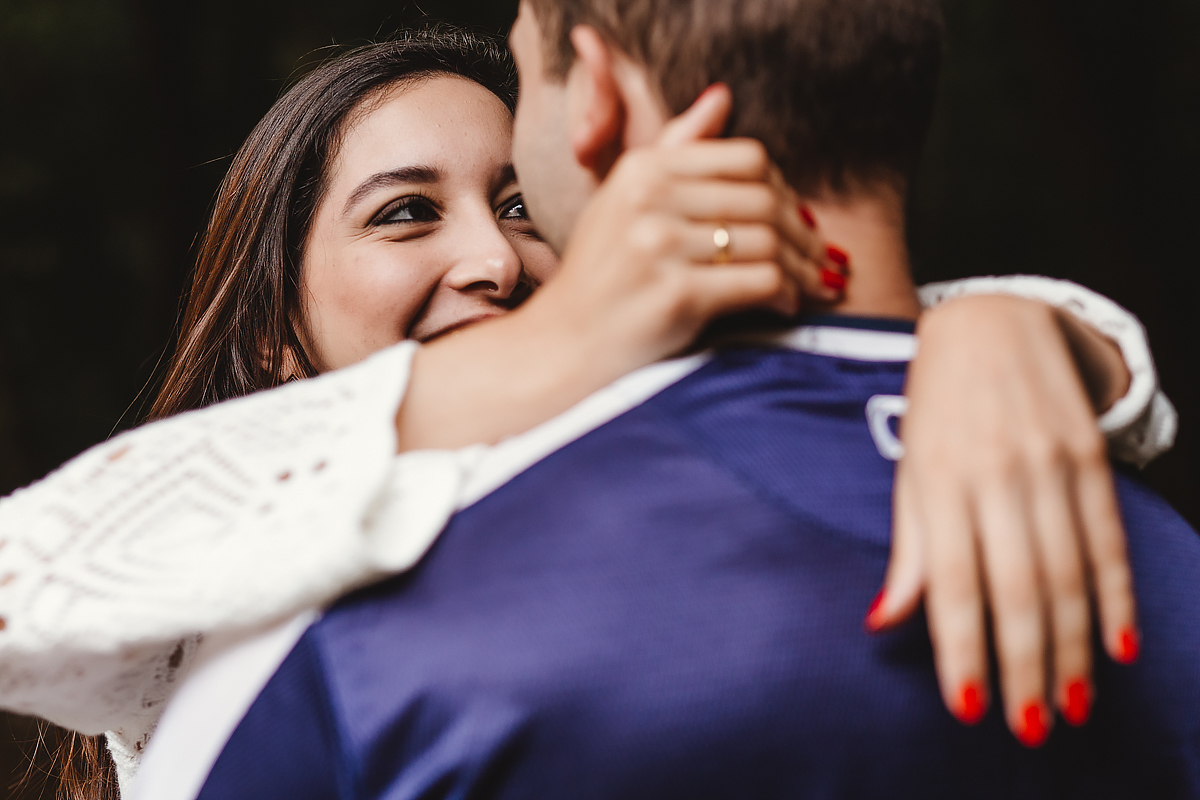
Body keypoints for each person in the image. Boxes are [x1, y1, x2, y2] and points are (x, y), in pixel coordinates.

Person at [0, 21, 1174, 800]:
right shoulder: (256, 595)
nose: (495, 259)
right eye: (407, 212)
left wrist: (986, 328)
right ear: (269, 323)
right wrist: (1036, 325)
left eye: (520, 202)